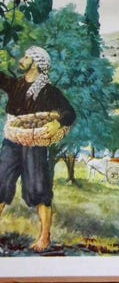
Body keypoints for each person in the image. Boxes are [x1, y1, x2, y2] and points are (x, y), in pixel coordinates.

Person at [0, 46, 76, 252]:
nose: (22, 60)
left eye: (26, 57)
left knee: (39, 189)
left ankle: (44, 236)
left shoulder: (48, 91)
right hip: (12, 140)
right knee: (1, 183)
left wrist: (57, 123)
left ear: (36, 63)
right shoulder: (16, 84)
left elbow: (69, 112)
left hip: (35, 144)